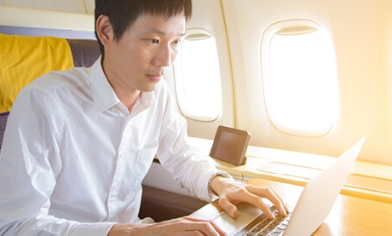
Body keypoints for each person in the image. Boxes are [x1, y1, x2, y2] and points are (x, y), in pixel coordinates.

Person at [0, 0, 288, 235]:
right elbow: (17, 226)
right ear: (106, 31)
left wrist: (222, 184)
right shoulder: (44, 103)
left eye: (176, 41)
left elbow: (181, 155)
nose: (167, 59)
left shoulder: (158, 95)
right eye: (153, 40)